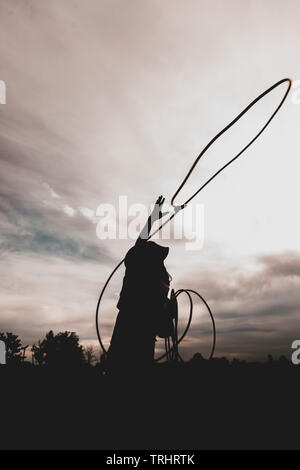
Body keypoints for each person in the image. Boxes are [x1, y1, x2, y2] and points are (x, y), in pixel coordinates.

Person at [107, 196, 172, 373]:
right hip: (143, 344)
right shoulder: (157, 286)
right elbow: (165, 331)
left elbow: (139, 243)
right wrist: (169, 311)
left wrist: (153, 217)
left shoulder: (136, 272)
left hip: (124, 333)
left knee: (117, 370)